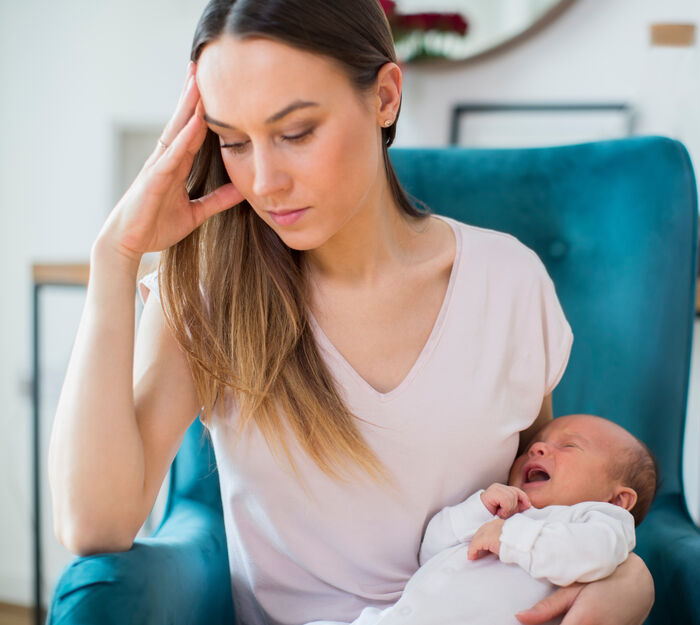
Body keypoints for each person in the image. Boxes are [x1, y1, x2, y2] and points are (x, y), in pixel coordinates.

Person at [47, 1, 655, 624]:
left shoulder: (509, 283)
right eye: (233, 141)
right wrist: (114, 256)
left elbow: (541, 497)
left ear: (385, 96)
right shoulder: (213, 294)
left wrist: (629, 576)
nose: (265, 181)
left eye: (296, 132)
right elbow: (93, 524)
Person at [304, 414, 659, 625]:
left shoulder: (598, 519)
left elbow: (593, 554)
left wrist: (511, 537)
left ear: (618, 498)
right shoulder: (506, 509)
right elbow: (431, 552)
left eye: (569, 447)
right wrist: (479, 510)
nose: (537, 449)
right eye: (535, 444)